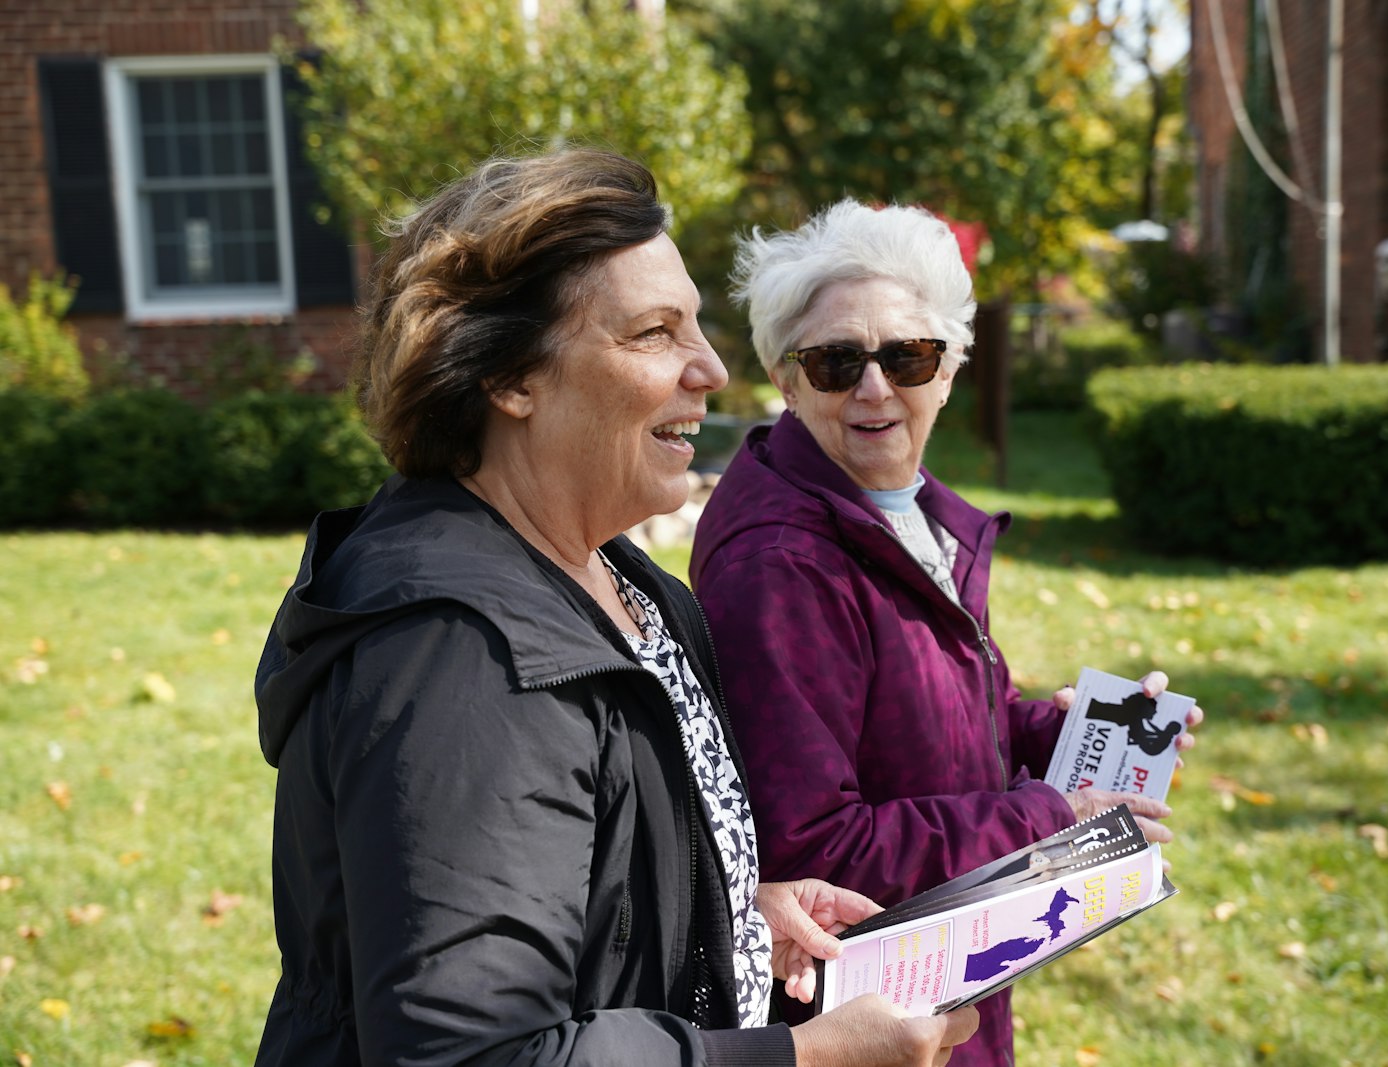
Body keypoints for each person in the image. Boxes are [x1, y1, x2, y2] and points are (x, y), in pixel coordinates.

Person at [253, 152, 979, 1067]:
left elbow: (577, 890)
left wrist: (729, 914)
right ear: (511, 377)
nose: (710, 368)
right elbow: (474, 1054)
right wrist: (804, 1056)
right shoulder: (462, 657)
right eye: (653, 333)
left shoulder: (626, 585)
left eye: (699, 327)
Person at [688, 200, 1204, 1066]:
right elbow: (814, 849)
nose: (875, 387)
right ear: (786, 378)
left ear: (950, 368)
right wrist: (1049, 816)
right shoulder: (781, 565)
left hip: (946, 995)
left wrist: (1068, 733)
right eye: (835, 361)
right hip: (864, 1021)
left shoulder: (908, 513)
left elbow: (926, 714)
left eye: (908, 355)